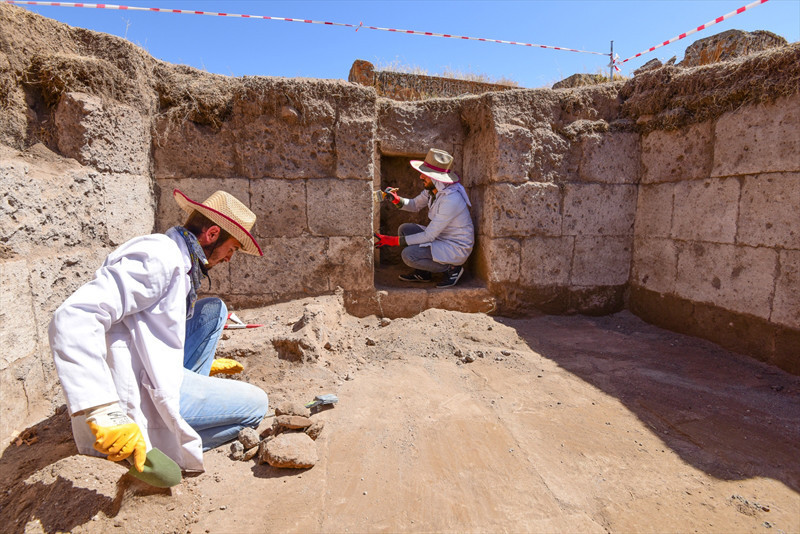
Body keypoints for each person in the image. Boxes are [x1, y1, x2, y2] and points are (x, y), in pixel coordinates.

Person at [48, 189, 269, 474]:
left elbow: (156, 326)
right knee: (256, 405)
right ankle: (163, 445)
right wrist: (103, 410)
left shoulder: (176, 255)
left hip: (154, 370)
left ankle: (185, 402)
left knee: (212, 311)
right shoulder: (159, 258)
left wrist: (189, 360)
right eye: (233, 249)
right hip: (133, 395)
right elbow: (73, 316)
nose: (229, 258)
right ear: (212, 234)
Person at [374, 148, 474, 288]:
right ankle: (424, 273)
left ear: (436, 178)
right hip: (441, 238)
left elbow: (429, 235)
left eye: (425, 174)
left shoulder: (451, 199)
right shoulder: (433, 190)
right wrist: (396, 199)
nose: (421, 177)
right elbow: (414, 205)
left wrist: (393, 241)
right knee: (405, 229)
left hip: (455, 247)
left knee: (408, 255)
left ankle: (452, 269)